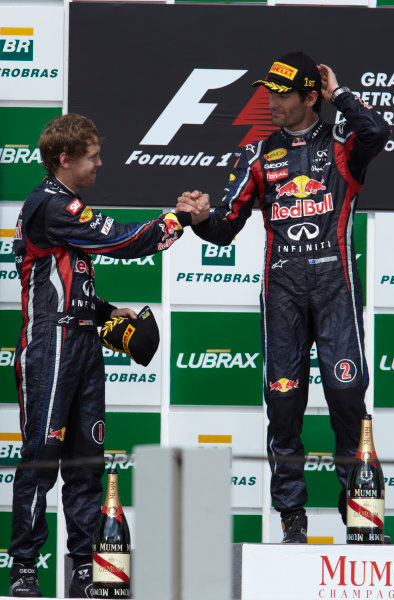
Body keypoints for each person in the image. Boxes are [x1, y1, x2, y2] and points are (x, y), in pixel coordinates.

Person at [177, 52, 390, 543]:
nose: (270, 100)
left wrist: (340, 95)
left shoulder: (342, 142)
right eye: (268, 91)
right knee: (285, 404)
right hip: (283, 293)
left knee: (346, 397)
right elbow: (226, 227)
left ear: (310, 95)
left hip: (336, 288)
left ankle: (360, 514)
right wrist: (199, 218)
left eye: (282, 92)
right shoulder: (257, 153)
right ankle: (291, 518)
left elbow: (377, 132)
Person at [9, 113, 208, 597]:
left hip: (81, 342)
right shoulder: (50, 205)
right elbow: (121, 239)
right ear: (65, 159)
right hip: (50, 347)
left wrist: (107, 317)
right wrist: (177, 218)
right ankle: (24, 570)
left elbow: (71, 293)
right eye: (93, 156)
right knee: (42, 460)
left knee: (86, 462)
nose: (101, 163)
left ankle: (83, 568)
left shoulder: (67, 209)